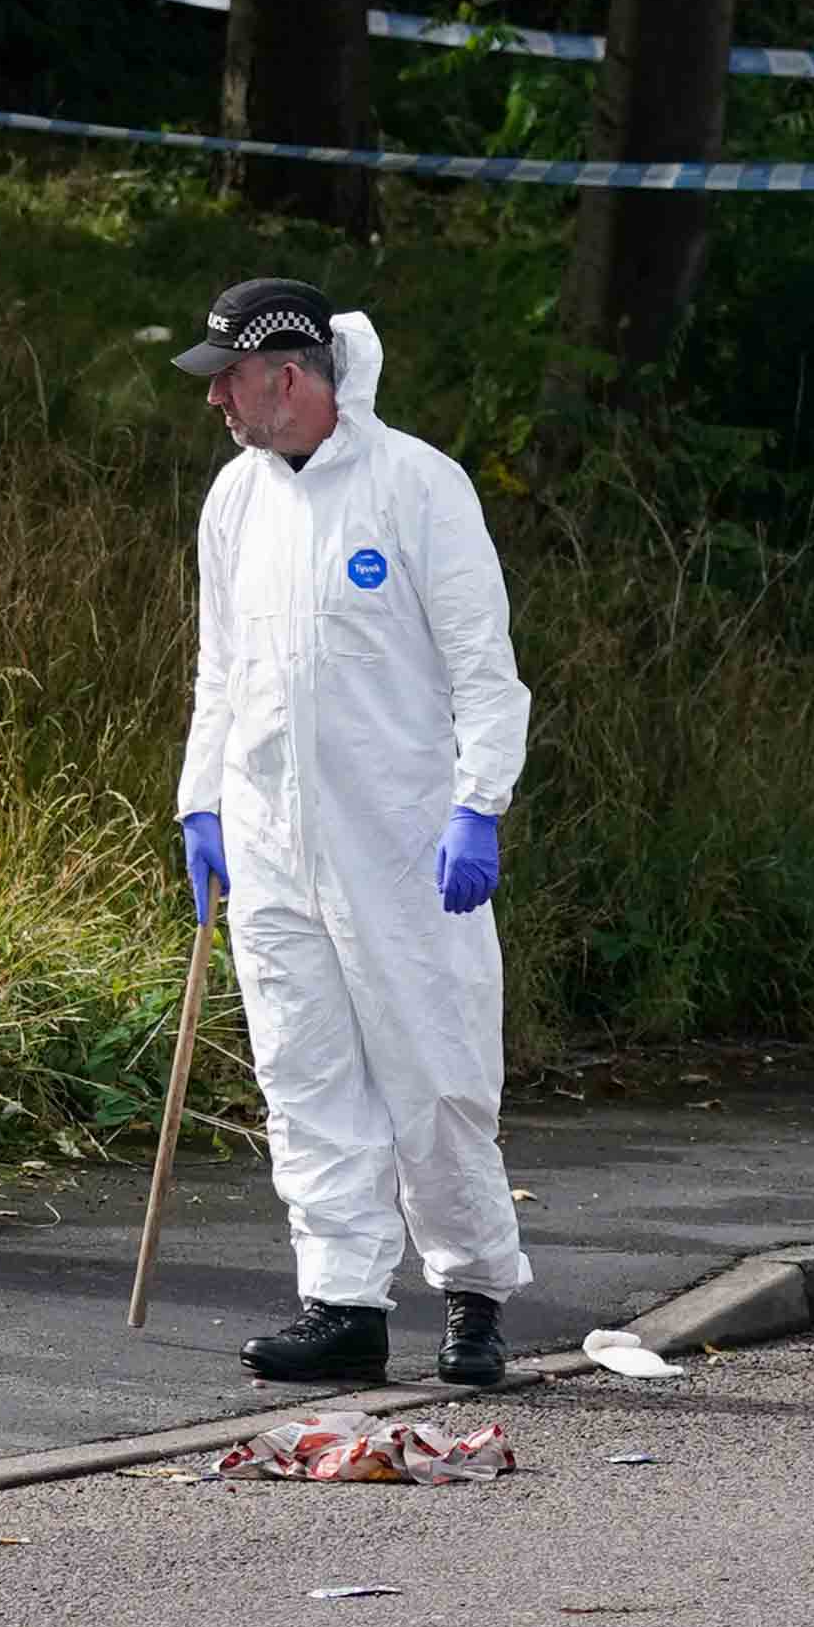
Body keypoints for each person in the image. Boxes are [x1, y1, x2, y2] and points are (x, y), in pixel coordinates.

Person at [174, 275, 531, 1388]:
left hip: (403, 838)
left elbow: (484, 665)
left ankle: (473, 1297)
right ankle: (342, 1300)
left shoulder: (418, 486)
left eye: (227, 377)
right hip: (273, 836)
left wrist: (480, 801)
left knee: (435, 1071)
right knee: (304, 1071)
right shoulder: (235, 499)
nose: (216, 400)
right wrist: (202, 798)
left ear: (288, 377)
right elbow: (219, 668)